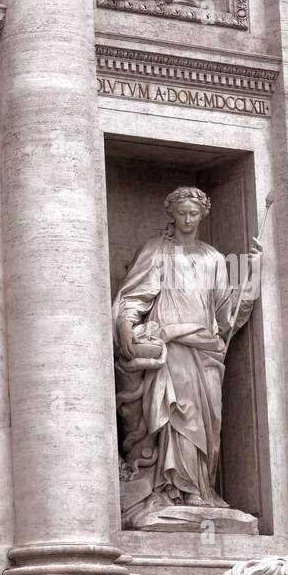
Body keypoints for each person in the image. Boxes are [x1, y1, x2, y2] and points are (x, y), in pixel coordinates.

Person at [113, 186, 260, 525]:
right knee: (180, 414)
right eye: (182, 213)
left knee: (208, 421)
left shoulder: (213, 259)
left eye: (194, 213)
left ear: (203, 215)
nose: (188, 219)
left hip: (207, 349)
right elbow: (133, 296)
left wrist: (251, 276)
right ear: (173, 214)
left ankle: (203, 488)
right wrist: (126, 329)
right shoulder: (157, 251)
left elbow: (228, 315)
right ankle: (174, 489)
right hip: (173, 345)